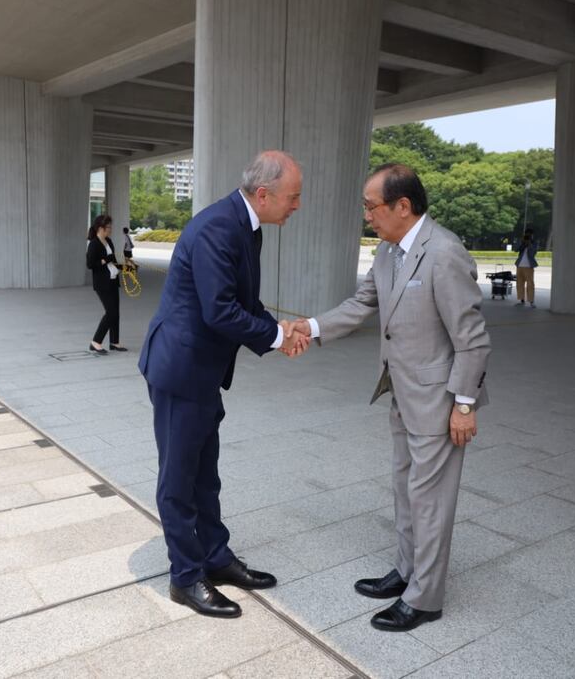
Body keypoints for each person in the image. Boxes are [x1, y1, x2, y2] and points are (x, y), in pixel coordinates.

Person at [292, 163, 490, 632]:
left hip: (441, 401)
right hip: (402, 391)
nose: (367, 216)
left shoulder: (444, 252)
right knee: (406, 488)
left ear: (403, 206)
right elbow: (362, 304)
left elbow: (473, 337)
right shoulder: (388, 251)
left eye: (371, 206)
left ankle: (425, 598)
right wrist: (311, 328)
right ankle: (406, 571)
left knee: (431, 498)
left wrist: (464, 404)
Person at [138, 151, 309, 619]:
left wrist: (280, 330)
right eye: (292, 197)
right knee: (178, 479)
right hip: (180, 369)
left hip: (202, 371)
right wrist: (276, 336)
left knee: (205, 475)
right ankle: (185, 576)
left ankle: (215, 557)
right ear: (264, 194)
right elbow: (219, 310)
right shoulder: (219, 227)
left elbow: (244, 301)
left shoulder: (245, 225)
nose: (297, 205)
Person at [85, 214, 126, 355]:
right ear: (101, 228)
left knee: (116, 313)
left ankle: (114, 342)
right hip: (102, 284)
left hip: (113, 280)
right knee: (111, 312)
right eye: (108, 227)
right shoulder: (94, 244)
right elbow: (90, 264)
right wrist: (104, 260)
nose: (110, 229)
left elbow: (113, 260)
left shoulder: (109, 241)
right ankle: (95, 342)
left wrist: (127, 268)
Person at [514, 227, 537, 307]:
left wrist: (529, 244)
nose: (528, 237)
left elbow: (533, 253)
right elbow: (516, 250)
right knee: (519, 283)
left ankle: (531, 301)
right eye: (527, 235)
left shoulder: (534, 243)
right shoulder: (522, 242)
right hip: (520, 265)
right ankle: (521, 299)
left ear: (532, 236)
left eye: (529, 235)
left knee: (530, 284)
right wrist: (522, 243)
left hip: (529, 266)